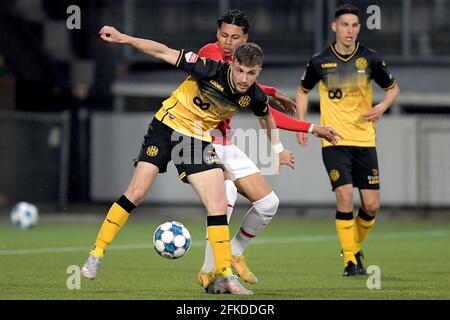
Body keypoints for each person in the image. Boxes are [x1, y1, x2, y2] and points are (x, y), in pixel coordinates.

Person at [81, 25, 295, 295]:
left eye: (251, 74)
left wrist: (278, 149)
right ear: (233, 65)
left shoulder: (254, 95)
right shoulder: (209, 68)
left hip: (195, 140)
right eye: (239, 70)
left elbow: (266, 118)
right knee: (136, 192)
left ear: (258, 72)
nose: (243, 78)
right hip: (165, 127)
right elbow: (162, 51)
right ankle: (96, 254)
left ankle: (225, 276)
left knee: (217, 201)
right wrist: (123, 38)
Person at [196, 9, 343, 288]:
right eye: (224, 35)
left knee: (268, 203)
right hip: (197, 137)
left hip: (223, 138)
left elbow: (255, 96)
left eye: (235, 37)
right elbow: (243, 84)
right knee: (224, 190)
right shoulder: (211, 55)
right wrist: (272, 93)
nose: (228, 42)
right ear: (217, 34)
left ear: (245, 39)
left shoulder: (242, 71)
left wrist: (308, 126)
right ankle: (209, 269)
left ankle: (234, 252)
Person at [296, 3, 400, 276]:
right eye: (345, 25)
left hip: (365, 140)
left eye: (355, 25)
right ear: (335, 27)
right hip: (334, 139)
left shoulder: (371, 59)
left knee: (371, 206)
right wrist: (302, 124)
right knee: (344, 197)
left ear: (359, 28)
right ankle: (350, 262)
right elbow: (302, 91)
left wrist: (381, 107)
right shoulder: (320, 61)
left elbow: (393, 88)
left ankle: (351, 249)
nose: (350, 30)